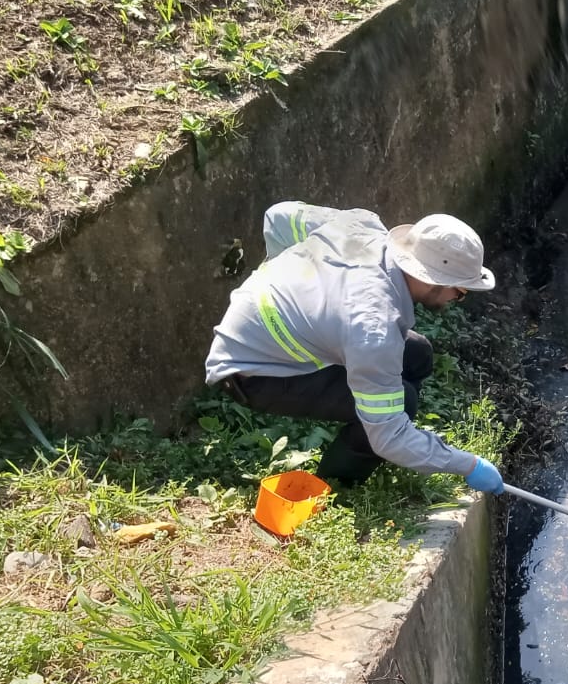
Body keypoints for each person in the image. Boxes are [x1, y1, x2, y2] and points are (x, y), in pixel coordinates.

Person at [205, 201, 506, 494]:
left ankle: (382, 437)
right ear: (435, 281)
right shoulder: (374, 329)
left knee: (417, 354)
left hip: (265, 323)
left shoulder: (360, 226)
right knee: (402, 405)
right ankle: (337, 486)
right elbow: (390, 436)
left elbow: (279, 216)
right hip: (250, 371)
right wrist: (468, 465)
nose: (457, 301)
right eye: (461, 293)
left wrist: (280, 276)